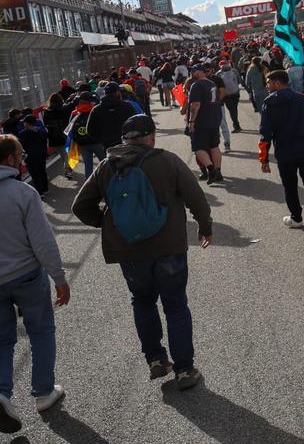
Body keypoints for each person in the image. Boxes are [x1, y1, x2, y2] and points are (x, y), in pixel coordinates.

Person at [71, 114, 212, 389]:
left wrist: (109, 223)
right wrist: (204, 226)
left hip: (129, 250)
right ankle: (184, 369)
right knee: (175, 305)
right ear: (151, 137)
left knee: (142, 301)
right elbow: (197, 198)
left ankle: (156, 359)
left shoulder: (106, 166)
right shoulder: (167, 161)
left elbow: (80, 206)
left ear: (124, 139)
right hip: (169, 247)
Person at [0, 134, 69, 432]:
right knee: (41, 331)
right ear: (9, 159)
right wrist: (59, 278)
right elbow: (43, 243)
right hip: (27, 273)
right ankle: (43, 392)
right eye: (20, 153)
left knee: (2, 340)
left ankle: (2, 393)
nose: (23, 157)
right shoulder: (23, 193)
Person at [259, 70, 304, 236]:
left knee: (290, 187)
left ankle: (296, 218)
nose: (267, 86)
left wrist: (264, 159)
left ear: (276, 83)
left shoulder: (268, 103)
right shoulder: (301, 98)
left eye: (268, 83)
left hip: (284, 152)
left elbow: (265, 133)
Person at [184, 64, 225, 185]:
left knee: (197, 148)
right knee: (214, 146)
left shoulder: (197, 85)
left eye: (193, 72)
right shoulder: (212, 83)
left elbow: (195, 105)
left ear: (199, 72)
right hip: (214, 118)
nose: (192, 74)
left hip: (202, 120)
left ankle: (212, 170)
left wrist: (191, 121)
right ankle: (218, 171)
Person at [87, 82, 138, 151]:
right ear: (117, 92)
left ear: (105, 93)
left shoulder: (97, 109)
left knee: (111, 161)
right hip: (126, 143)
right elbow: (136, 123)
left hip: (107, 145)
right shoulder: (127, 106)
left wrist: (102, 140)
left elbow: (90, 130)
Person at [215, 60, 242, 133]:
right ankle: (236, 124)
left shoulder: (218, 73)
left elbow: (217, 85)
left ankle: (237, 126)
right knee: (234, 108)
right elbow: (239, 81)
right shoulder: (234, 70)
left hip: (226, 95)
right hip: (236, 93)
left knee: (231, 110)